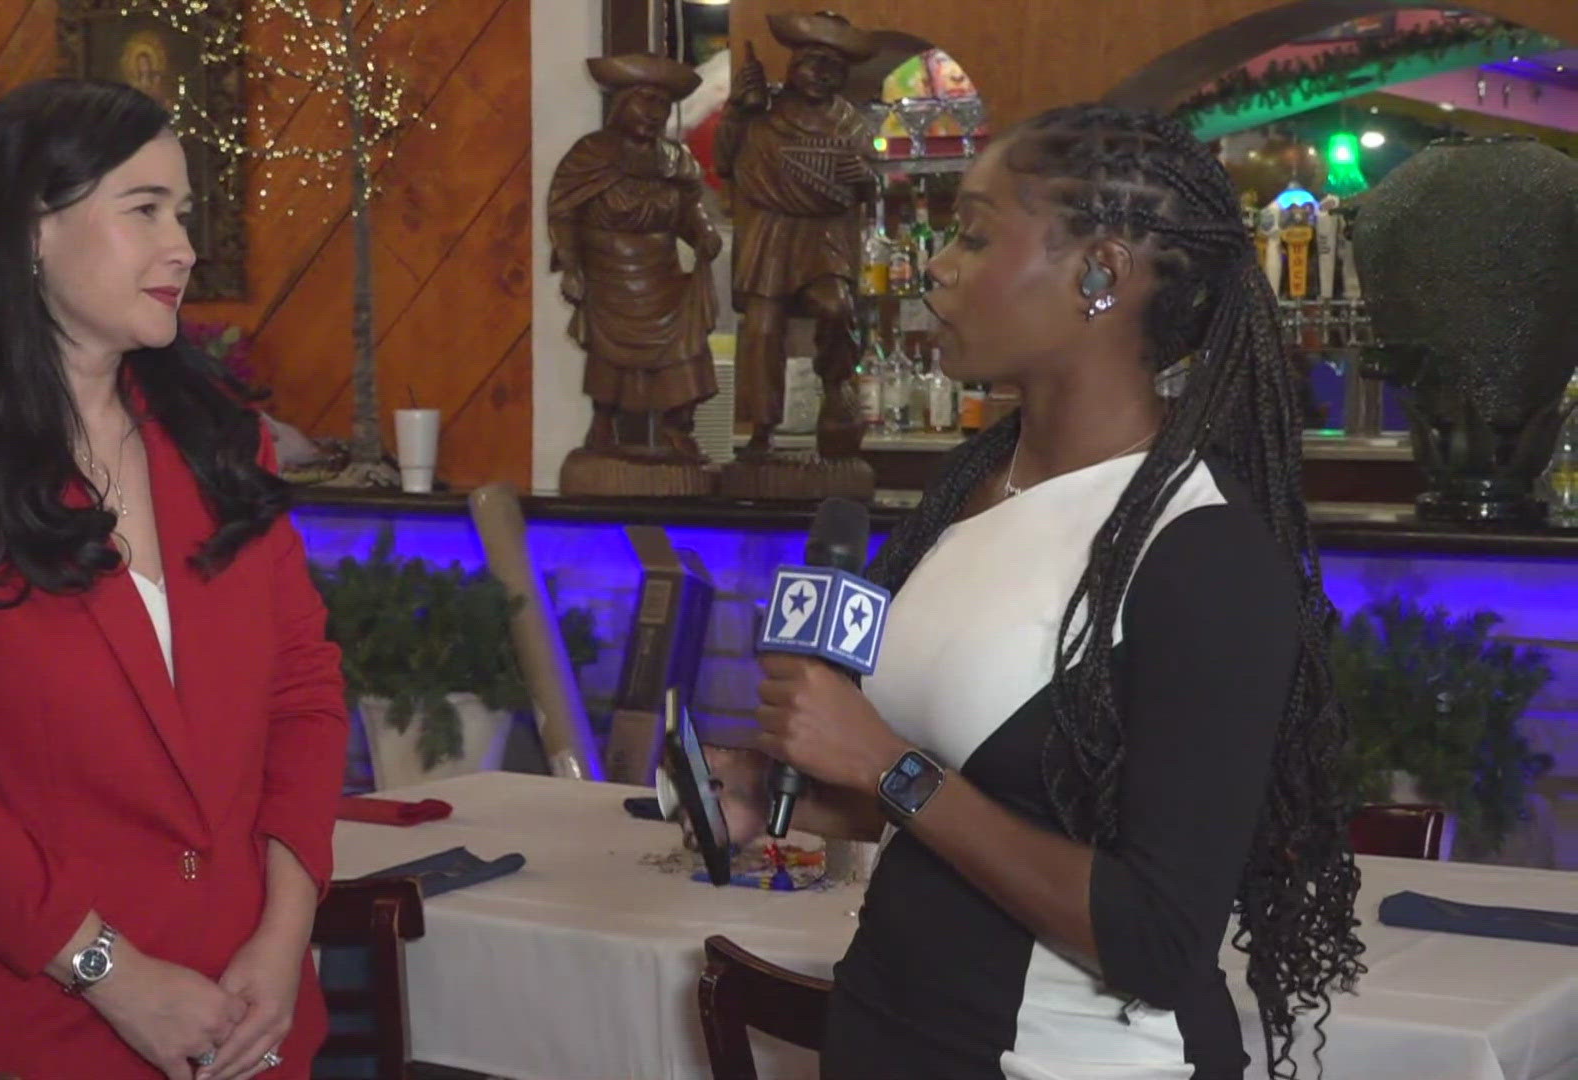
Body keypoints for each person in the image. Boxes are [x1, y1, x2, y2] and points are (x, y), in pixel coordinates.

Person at [709, 104, 1366, 1078]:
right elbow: (985, 796)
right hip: (893, 1032)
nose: (936, 266)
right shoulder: (968, 490)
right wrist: (791, 795)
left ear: (1100, 273)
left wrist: (886, 766)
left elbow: (1155, 938)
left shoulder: (1204, 554)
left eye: (974, 235)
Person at [0, 78, 348, 1080]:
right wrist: (112, 971)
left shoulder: (225, 446)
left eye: (183, 212)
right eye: (144, 209)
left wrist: (285, 936)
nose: (183, 246)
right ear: (29, 232)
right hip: (36, 1019)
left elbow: (305, 695)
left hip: (250, 1011)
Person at [714, 12, 876, 458]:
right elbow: (726, 163)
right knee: (763, 331)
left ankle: (836, 390)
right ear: (792, 65)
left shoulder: (851, 124)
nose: (823, 75)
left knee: (836, 307)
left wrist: (862, 176)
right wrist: (736, 113)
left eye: (834, 68)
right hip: (772, 236)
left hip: (823, 240)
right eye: (813, 62)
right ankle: (761, 430)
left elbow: (869, 185)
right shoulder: (761, 114)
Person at [548, 54, 721, 459]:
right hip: (610, 273)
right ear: (622, 103)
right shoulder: (592, 154)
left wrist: (703, 232)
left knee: (687, 345)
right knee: (609, 354)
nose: (654, 114)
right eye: (645, 102)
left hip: (662, 272)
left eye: (662, 105)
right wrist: (572, 267)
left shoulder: (675, 159)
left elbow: (687, 209)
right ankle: (603, 422)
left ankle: (678, 425)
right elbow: (564, 213)